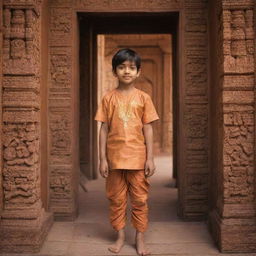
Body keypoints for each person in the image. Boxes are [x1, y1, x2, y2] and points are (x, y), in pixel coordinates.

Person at [94, 48, 159, 256]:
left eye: (131, 68)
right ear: (115, 72)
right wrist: (102, 159)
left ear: (139, 72)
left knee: (140, 199)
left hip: (138, 158)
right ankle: (120, 235)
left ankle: (139, 237)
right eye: (121, 67)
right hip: (114, 159)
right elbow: (103, 128)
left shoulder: (144, 98)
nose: (127, 71)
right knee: (116, 199)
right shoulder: (108, 98)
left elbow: (148, 127)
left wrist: (150, 158)